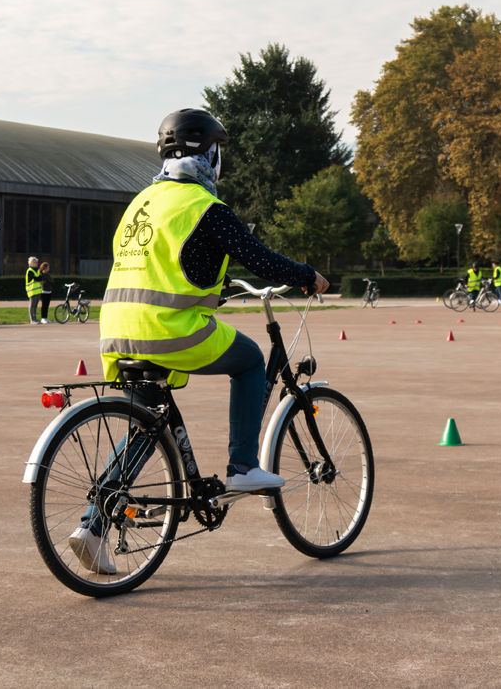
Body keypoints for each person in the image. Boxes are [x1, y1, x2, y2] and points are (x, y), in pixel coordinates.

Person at [69, 108, 329, 573]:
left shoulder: (142, 203)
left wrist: (213, 287)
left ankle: (91, 527)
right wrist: (306, 275)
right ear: (210, 155)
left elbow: (168, 266)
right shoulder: (204, 207)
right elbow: (259, 258)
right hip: (166, 330)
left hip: (116, 329)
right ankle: (244, 467)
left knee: (147, 426)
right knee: (250, 360)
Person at [25, 257, 42, 325]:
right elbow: (36, 278)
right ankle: (32, 319)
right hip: (32, 290)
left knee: (35, 305)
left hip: (37, 290)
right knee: (32, 305)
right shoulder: (30, 270)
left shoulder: (37, 270)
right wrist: (37, 277)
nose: (37, 264)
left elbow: (40, 278)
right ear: (32, 263)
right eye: (35, 262)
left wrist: (38, 277)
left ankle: (35, 318)